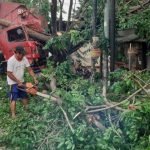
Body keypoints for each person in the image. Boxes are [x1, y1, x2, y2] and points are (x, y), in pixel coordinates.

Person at [7, 46, 38, 118]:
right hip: (12, 83)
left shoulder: (24, 59)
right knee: (13, 99)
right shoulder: (11, 60)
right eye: (21, 54)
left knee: (24, 96)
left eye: (23, 54)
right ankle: (13, 115)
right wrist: (17, 81)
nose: (23, 56)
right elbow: (9, 73)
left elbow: (29, 69)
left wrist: (34, 78)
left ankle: (27, 112)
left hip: (21, 81)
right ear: (17, 53)